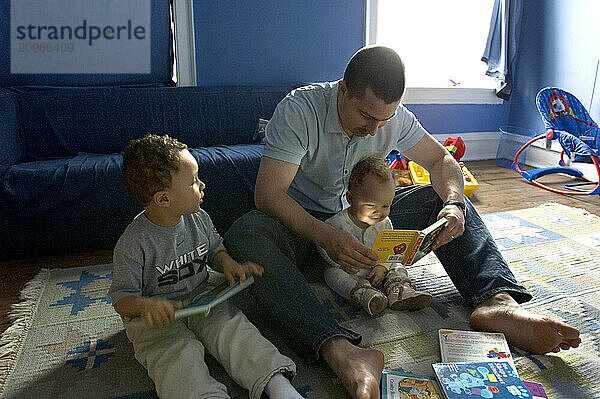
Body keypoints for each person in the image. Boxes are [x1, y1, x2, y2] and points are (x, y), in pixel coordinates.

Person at [223, 46, 581, 399]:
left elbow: (442, 162)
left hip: (366, 219)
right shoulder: (300, 110)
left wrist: (454, 204)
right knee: (246, 234)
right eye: (366, 116)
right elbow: (269, 195)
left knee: (441, 197)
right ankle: (343, 351)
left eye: (385, 119)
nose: (376, 128)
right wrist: (327, 235)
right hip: (304, 226)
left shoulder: (392, 119)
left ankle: (496, 301)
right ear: (343, 89)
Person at [109, 134, 303, 399]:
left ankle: (277, 385)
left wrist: (228, 265)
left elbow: (213, 250)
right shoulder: (133, 244)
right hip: (157, 320)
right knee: (176, 355)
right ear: (163, 199)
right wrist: (147, 306)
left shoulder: (198, 218)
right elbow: (121, 299)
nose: (201, 184)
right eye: (192, 181)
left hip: (202, 299)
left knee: (235, 330)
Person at [317, 155, 432, 316]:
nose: (379, 212)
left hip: (378, 270)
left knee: (398, 264)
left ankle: (399, 290)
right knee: (331, 274)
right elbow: (324, 247)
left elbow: (389, 252)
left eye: (386, 205)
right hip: (351, 272)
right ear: (351, 198)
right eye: (371, 205)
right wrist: (340, 263)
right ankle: (364, 295)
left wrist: (382, 268)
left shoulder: (385, 223)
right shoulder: (337, 224)